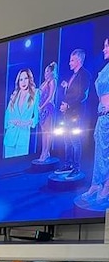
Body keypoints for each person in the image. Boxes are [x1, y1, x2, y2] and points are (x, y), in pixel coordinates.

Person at [55, 48, 92, 177]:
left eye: (72, 60)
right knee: (67, 140)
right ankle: (68, 164)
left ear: (79, 60)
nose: (69, 63)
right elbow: (73, 92)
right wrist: (66, 87)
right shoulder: (73, 75)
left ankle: (76, 167)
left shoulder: (85, 75)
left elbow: (82, 95)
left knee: (75, 141)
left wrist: (68, 105)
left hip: (76, 114)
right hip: (68, 113)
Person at [81, 38, 109, 201]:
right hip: (102, 116)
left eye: (107, 46)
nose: (104, 49)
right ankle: (97, 184)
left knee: (107, 152)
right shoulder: (105, 68)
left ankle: (106, 185)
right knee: (100, 151)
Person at [3, 68, 40, 158]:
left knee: (20, 166)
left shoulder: (35, 93)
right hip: (10, 137)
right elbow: (7, 117)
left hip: (23, 136)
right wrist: (11, 123)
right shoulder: (14, 95)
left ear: (29, 79)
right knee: (8, 167)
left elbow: (37, 117)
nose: (23, 82)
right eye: (21, 79)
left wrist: (26, 123)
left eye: (26, 78)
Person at [37, 62, 58, 161]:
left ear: (51, 72)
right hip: (41, 108)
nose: (45, 74)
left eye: (47, 71)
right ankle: (44, 151)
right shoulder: (44, 82)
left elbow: (50, 97)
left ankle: (46, 152)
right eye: (45, 72)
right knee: (43, 132)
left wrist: (42, 106)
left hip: (48, 107)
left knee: (48, 132)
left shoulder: (52, 81)